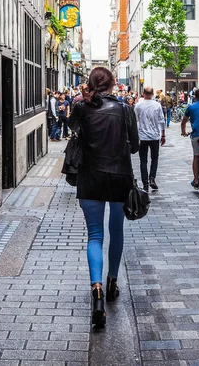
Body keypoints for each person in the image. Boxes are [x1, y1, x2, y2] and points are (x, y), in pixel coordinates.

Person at [67, 67, 139, 328]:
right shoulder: (125, 109)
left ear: (90, 84)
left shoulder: (81, 108)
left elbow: (71, 128)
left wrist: (82, 101)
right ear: (112, 85)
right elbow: (136, 144)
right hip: (119, 176)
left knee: (95, 236)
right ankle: (112, 283)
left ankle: (96, 291)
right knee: (116, 231)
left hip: (90, 177)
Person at [135, 87, 166, 192]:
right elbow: (161, 121)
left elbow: (134, 120)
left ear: (143, 93)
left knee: (143, 160)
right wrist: (163, 135)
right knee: (154, 158)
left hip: (142, 136)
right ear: (152, 94)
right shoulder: (157, 105)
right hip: (154, 136)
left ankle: (145, 183)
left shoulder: (138, 105)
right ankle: (152, 178)